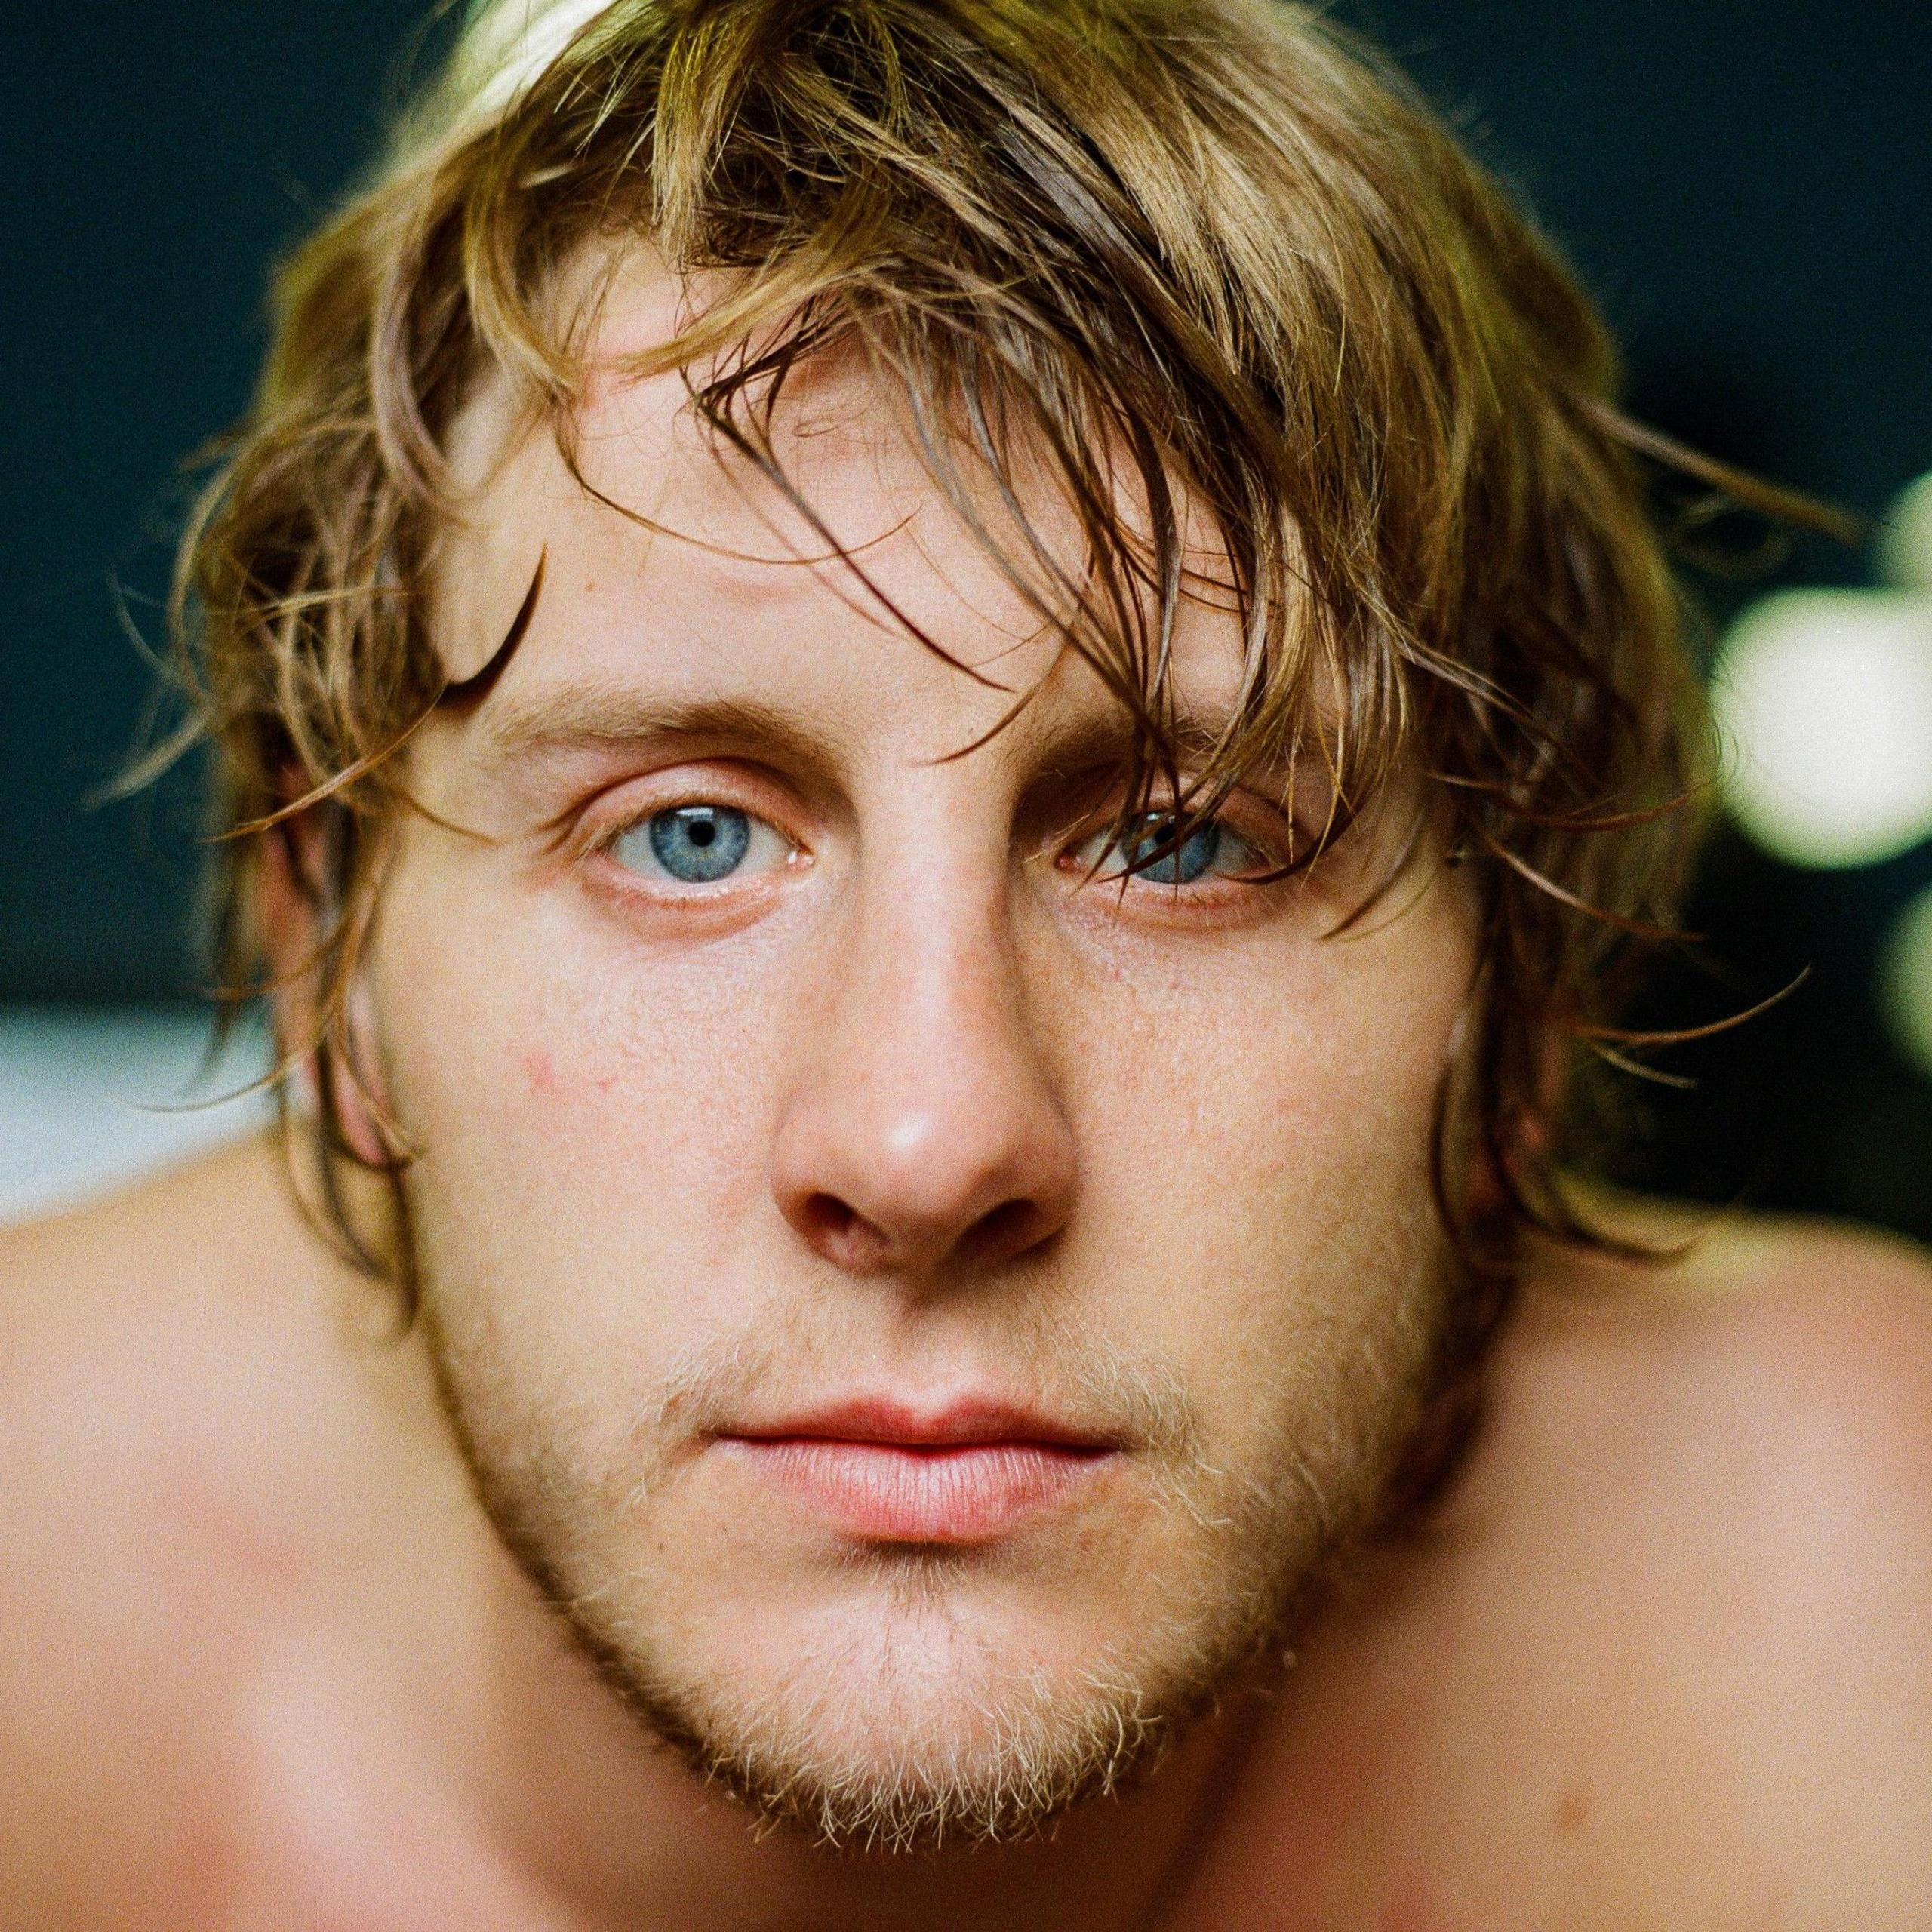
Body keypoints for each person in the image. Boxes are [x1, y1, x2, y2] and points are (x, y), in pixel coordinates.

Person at [4, 0, 1929, 1923]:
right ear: (325, 957)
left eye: (1181, 840)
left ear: (1521, 1002)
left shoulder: (1864, 1625)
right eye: (691, 834)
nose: (927, 1140)